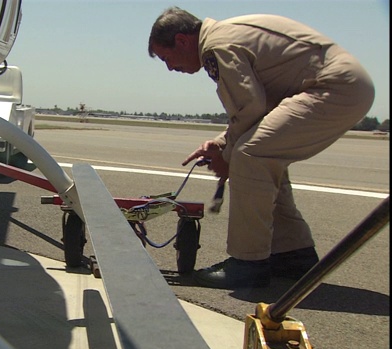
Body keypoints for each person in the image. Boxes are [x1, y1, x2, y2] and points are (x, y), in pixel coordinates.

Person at [148, 7, 375, 289]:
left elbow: (249, 107)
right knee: (264, 156)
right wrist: (220, 144)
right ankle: (293, 254)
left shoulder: (216, 46)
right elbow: (257, 108)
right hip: (344, 84)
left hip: (333, 87)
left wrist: (227, 156)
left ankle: (248, 265)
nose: (170, 68)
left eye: (167, 58)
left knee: (250, 155)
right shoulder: (226, 34)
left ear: (182, 40)